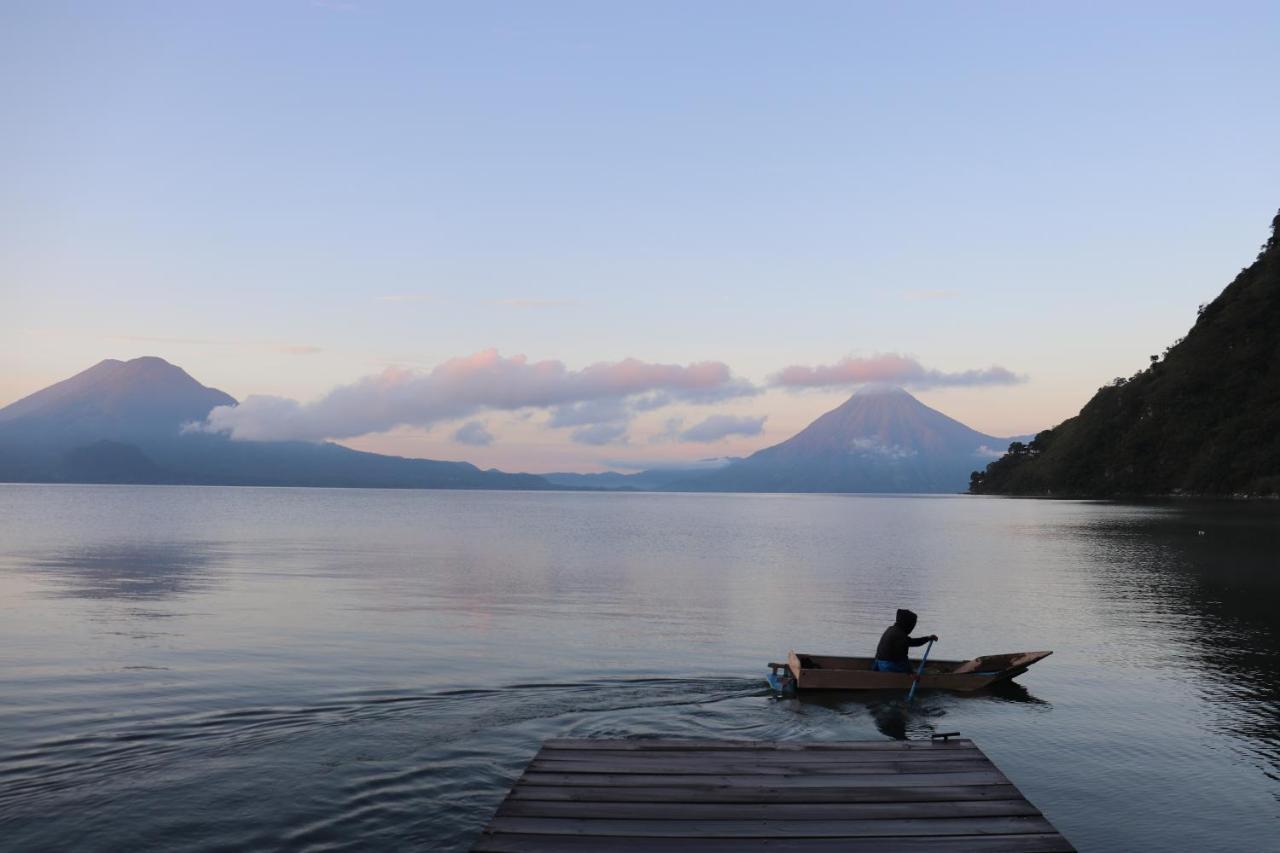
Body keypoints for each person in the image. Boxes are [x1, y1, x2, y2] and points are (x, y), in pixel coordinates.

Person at [872, 609, 938, 673]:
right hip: (888, 667)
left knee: (909, 665)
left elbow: (911, 642)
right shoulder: (900, 636)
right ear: (907, 624)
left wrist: (928, 638)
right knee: (910, 668)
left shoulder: (891, 629)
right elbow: (902, 658)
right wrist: (910, 673)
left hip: (878, 664)